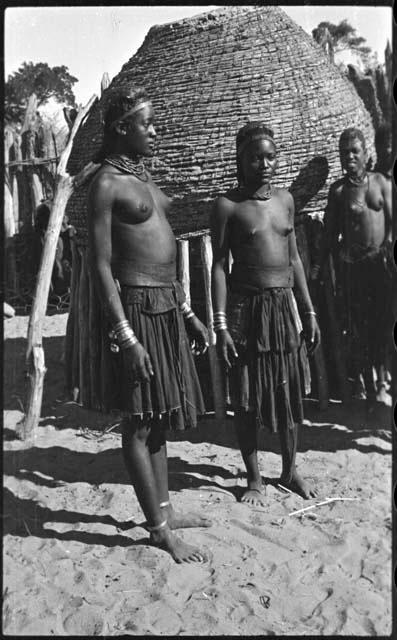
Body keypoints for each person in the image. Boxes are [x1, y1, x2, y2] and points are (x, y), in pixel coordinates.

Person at [87, 87, 211, 563]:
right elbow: (101, 266)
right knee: (138, 421)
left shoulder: (145, 179)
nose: (156, 130)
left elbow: (162, 256)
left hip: (165, 305)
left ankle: (164, 510)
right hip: (135, 310)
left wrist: (189, 313)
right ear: (122, 129)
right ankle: (159, 531)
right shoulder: (106, 184)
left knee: (158, 415)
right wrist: (125, 336)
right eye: (148, 123)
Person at [210, 122, 321, 506]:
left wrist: (308, 310)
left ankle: (289, 471)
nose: (265, 163)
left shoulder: (286, 201)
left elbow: (294, 260)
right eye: (256, 156)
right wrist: (220, 325)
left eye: (271, 156)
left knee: (288, 389)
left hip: (282, 309)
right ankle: (254, 478)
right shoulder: (228, 206)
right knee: (247, 395)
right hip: (247, 309)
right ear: (241, 160)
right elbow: (219, 266)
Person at [312, 127, 393, 404]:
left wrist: (387, 252)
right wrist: (323, 264)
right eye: (343, 152)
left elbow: (393, 225)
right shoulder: (339, 192)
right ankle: (367, 386)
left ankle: (383, 381)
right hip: (355, 270)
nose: (349, 157)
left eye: (354, 151)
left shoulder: (382, 182)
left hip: (381, 267)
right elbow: (329, 234)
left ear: (365, 153)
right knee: (359, 327)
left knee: (384, 323)